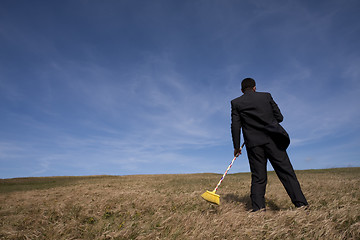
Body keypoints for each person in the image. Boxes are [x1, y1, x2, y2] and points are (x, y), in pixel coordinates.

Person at [231, 78, 308, 212]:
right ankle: (301, 206)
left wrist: (236, 147)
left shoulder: (236, 103)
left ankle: (259, 211)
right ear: (254, 87)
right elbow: (280, 117)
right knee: (287, 173)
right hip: (274, 140)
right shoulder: (266, 96)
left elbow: (235, 126)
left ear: (242, 90)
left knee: (258, 177)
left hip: (254, 145)